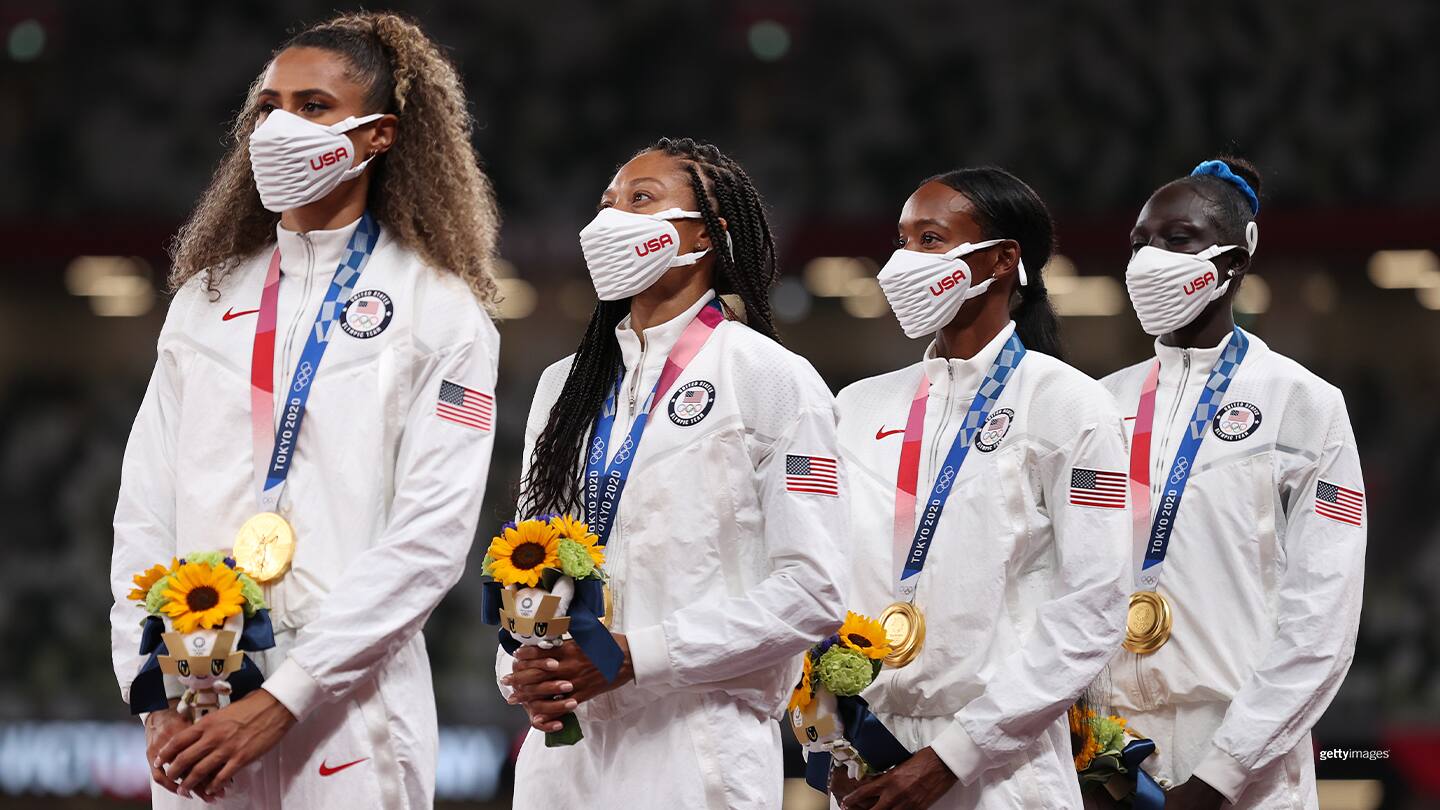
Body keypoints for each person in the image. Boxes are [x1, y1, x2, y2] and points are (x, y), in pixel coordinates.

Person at [107, 12, 502, 808]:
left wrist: (285, 696)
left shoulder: (440, 311)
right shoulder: (205, 301)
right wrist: (150, 688)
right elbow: (143, 509)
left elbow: (429, 540)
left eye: (314, 106)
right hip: (197, 700)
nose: (280, 127)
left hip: (350, 713)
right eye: (269, 107)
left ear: (379, 134)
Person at [496, 136, 848, 809]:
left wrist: (640, 655)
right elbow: (529, 556)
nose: (611, 218)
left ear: (707, 235)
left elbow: (814, 591)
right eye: (607, 202)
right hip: (564, 746)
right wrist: (521, 662)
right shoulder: (563, 386)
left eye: (641, 199)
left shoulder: (772, 377)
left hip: (697, 741)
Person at [832, 168, 1131, 809]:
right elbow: (823, 578)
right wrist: (830, 738)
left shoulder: (1069, 405)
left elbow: (1095, 607)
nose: (905, 261)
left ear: (1001, 260)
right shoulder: (856, 407)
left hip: (1004, 766)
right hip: (871, 755)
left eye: (931, 240)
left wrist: (954, 756)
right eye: (903, 240)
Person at [1101, 157, 1365, 809]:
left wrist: (1222, 773)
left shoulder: (1302, 403)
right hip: (1107, 759)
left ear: (1234, 261)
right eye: (1140, 243)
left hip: (1246, 766)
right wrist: (1086, 753)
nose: (1151, 260)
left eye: (1178, 239)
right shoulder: (1096, 406)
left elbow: (1322, 618)